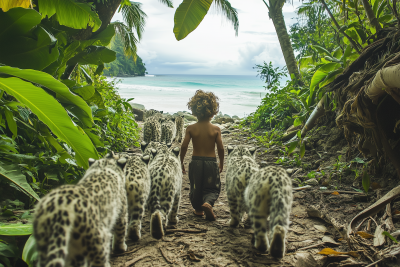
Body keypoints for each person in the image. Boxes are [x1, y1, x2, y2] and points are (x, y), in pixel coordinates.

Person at [180, 90, 224, 221]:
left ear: (194, 111)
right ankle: (208, 203)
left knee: (196, 186)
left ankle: (199, 210)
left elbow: (184, 146)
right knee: (212, 186)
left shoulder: (191, 128)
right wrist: (221, 162)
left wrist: (181, 161)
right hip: (211, 162)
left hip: (196, 162)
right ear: (213, 112)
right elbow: (220, 148)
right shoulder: (216, 129)